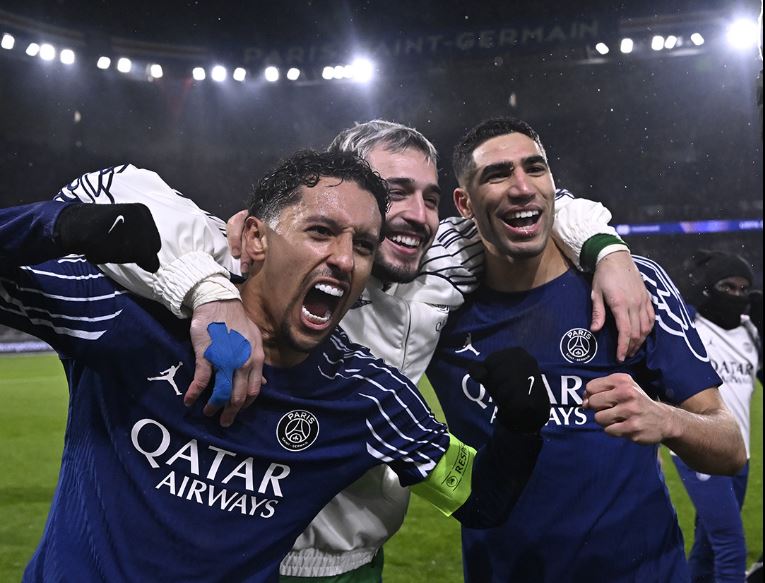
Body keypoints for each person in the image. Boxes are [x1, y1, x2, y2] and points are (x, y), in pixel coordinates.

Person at [52, 120, 655, 581]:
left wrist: (607, 250)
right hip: (225, 551)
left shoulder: (436, 264)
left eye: (431, 198)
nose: (417, 216)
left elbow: (533, 200)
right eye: (394, 193)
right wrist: (209, 291)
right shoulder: (246, 253)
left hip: (351, 562)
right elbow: (103, 186)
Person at [423, 117, 747, 582]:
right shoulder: (437, 312)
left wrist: (666, 419)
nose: (522, 187)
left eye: (535, 168)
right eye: (497, 174)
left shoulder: (636, 287)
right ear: (464, 203)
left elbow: (729, 447)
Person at [671, 250, 762, 583]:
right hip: (699, 446)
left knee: (708, 547)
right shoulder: (691, 326)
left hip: (739, 453)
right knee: (730, 546)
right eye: (727, 286)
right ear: (710, 287)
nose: (736, 295)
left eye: (743, 288)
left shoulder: (751, 333)